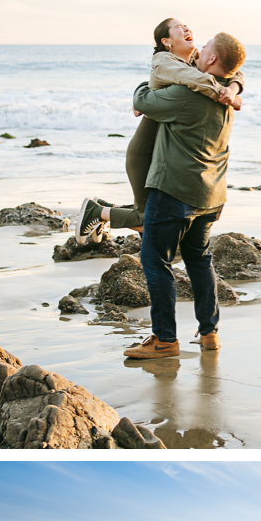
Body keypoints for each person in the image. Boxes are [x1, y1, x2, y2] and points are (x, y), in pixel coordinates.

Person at [120, 29, 246, 360]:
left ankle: (164, 340)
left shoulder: (186, 94)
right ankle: (209, 333)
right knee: (199, 260)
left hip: (174, 190)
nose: (199, 47)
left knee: (155, 261)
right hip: (212, 194)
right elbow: (237, 73)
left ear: (212, 58)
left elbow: (142, 102)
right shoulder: (225, 96)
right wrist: (234, 86)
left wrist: (142, 86)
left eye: (204, 47)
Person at [75, 18, 243, 244]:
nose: (186, 28)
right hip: (145, 151)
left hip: (163, 152)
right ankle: (96, 213)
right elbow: (197, 82)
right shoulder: (165, 61)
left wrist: (233, 87)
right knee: (149, 219)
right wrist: (225, 93)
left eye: (186, 25)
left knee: (153, 215)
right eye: (178, 28)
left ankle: (103, 209)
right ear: (166, 41)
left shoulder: (192, 63)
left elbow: (234, 70)